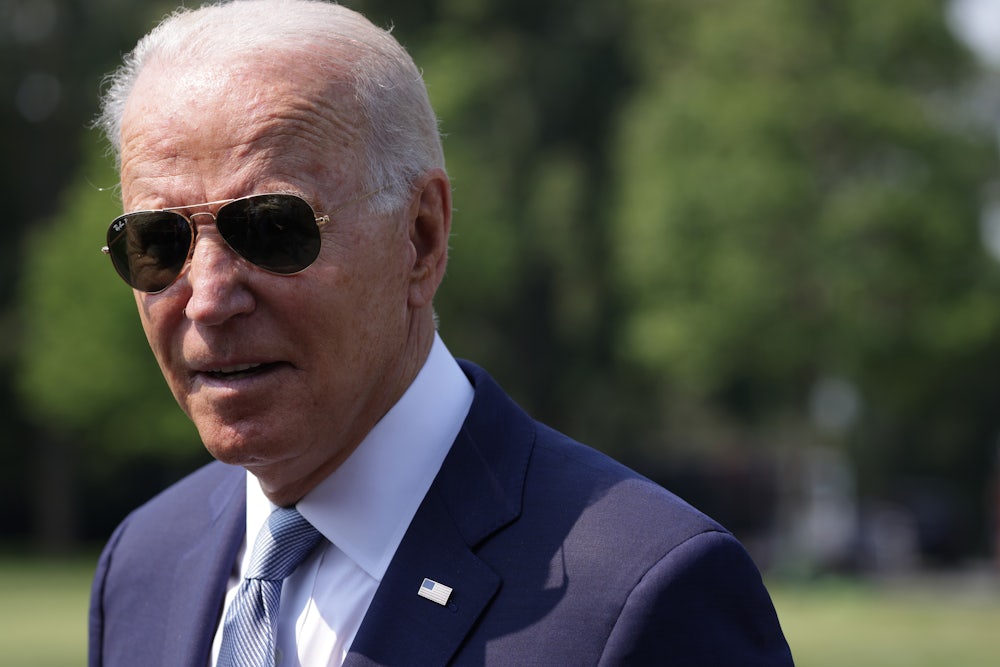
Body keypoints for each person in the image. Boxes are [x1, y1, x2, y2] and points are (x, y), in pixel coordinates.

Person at [87, 1, 794, 665]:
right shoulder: (142, 564)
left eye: (273, 228)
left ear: (421, 239)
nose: (208, 299)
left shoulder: (647, 592)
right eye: (157, 239)